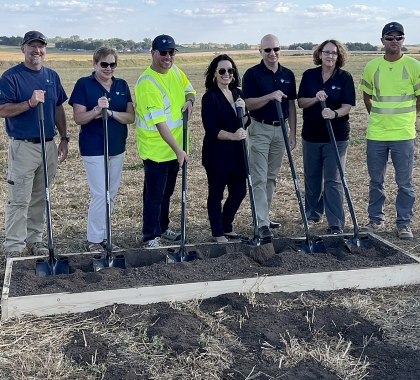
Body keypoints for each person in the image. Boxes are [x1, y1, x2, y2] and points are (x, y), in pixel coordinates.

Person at [0, 30, 69, 258]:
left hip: (48, 145)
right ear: (23, 49)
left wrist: (64, 137)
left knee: (41, 196)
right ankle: (14, 246)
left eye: (41, 46)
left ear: (45, 50)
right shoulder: (11, 77)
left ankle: (35, 239)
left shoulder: (52, 76)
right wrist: (29, 103)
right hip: (23, 146)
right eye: (32, 46)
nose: (36, 50)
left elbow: (58, 107)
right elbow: (3, 109)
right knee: (19, 198)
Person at [69, 47, 135, 252]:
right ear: (95, 64)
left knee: (111, 193)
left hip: (117, 146)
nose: (108, 68)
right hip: (94, 148)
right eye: (104, 64)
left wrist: (111, 112)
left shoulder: (122, 85)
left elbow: (130, 117)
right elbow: (79, 118)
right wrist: (97, 110)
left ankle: (105, 236)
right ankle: (94, 240)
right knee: (100, 193)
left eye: (112, 64)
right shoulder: (84, 84)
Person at [359, 22, 420, 240]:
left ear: (403, 40)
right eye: (390, 37)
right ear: (382, 40)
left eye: (398, 37)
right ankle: (375, 221)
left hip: (403, 135)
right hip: (376, 134)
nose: (394, 41)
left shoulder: (415, 66)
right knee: (377, 181)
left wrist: (407, 117)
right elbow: (367, 96)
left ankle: (403, 224)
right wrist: (377, 116)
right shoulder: (372, 66)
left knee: (404, 183)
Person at [135, 34, 196, 248]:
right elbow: (160, 124)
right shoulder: (147, 83)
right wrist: (179, 150)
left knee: (167, 193)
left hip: (174, 149)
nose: (168, 57)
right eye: (163, 53)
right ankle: (150, 236)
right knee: (154, 195)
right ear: (153, 53)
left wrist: (190, 102)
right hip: (156, 150)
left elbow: (190, 90)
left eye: (171, 52)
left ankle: (162, 227)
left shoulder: (176, 72)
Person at [297, 40, 355, 234]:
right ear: (320, 54)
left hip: (336, 137)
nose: (330, 56)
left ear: (339, 57)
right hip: (311, 136)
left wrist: (334, 113)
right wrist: (316, 98)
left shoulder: (344, 77)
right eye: (327, 52)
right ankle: (313, 213)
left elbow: (347, 105)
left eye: (334, 53)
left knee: (333, 179)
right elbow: (301, 102)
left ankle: (336, 222)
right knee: (312, 177)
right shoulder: (309, 75)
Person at [242, 34, 297, 239]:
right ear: (260, 51)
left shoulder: (288, 74)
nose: (272, 53)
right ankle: (261, 223)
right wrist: (270, 96)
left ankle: (264, 216)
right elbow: (249, 104)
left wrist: (292, 132)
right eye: (268, 50)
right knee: (259, 177)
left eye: (276, 49)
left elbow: (291, 104)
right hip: (259, 129)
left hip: (280, 129)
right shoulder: (252, 74)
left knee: (271, 177)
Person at [201, 55, 250, 243]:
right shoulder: (210, 96)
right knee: (216, 193)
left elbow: (246, 121)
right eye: (222, 71)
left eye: (230, 70)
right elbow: (210, 128)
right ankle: (217, 232)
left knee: (239, 192)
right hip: (217, 154)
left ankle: (226, 225)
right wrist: (232, 136)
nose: (226, 74)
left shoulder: (238, 93)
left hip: (237, 153)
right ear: (215, 73)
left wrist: (243, 111)